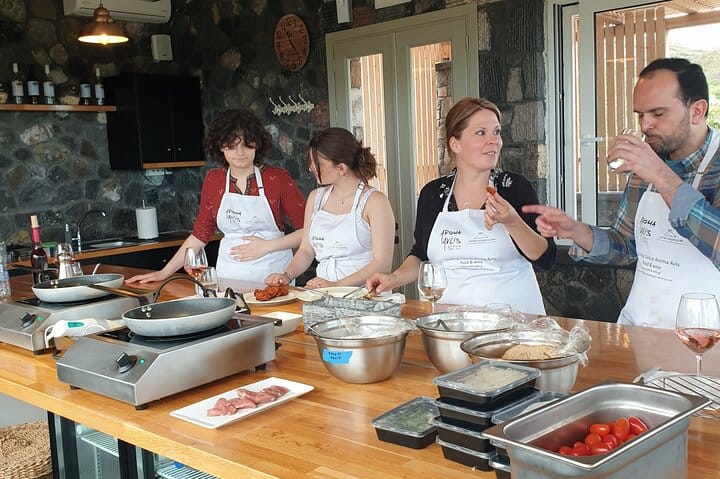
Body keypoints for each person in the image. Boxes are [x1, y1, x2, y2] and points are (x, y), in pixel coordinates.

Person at [524, 58, 720, 329]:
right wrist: (576, 230)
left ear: (697, 111)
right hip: (640, 328)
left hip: (706, 337)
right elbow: (627, 247)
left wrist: (659, 175)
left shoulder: (659, 165)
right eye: (640, 114)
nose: (645, 125)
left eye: (657, 113)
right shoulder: (648, 161)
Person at [366, 98, 556, 314]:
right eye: (481, 133)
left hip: (514, 320)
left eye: (496, 132)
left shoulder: (514, 188)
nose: (494, 141)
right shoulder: (433, 194)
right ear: (455, 144)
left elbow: (545, 259)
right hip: (451, 321)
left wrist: (512, 221)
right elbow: (421, 254)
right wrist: (394, 279)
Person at [127, 109, 305, 285]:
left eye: (246, 145)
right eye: (232, 146)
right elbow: (200, 235)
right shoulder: (214, 180)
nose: (240, 153)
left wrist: (267, 246)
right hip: (229, 277)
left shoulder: (278, 178)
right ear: (220, 146)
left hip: (274, 276)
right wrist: (164, 273)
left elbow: (308, 231)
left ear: (257, 144)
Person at [265, 127, 395, 288]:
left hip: (365, 294)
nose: (311, 168)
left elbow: (382, 264)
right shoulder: (316, 197)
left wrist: (336, 285)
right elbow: (306, 250)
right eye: (311, 162)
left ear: (341, 168)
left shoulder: (375, 201)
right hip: (324, 293)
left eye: (318, 164)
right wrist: (287, 275)